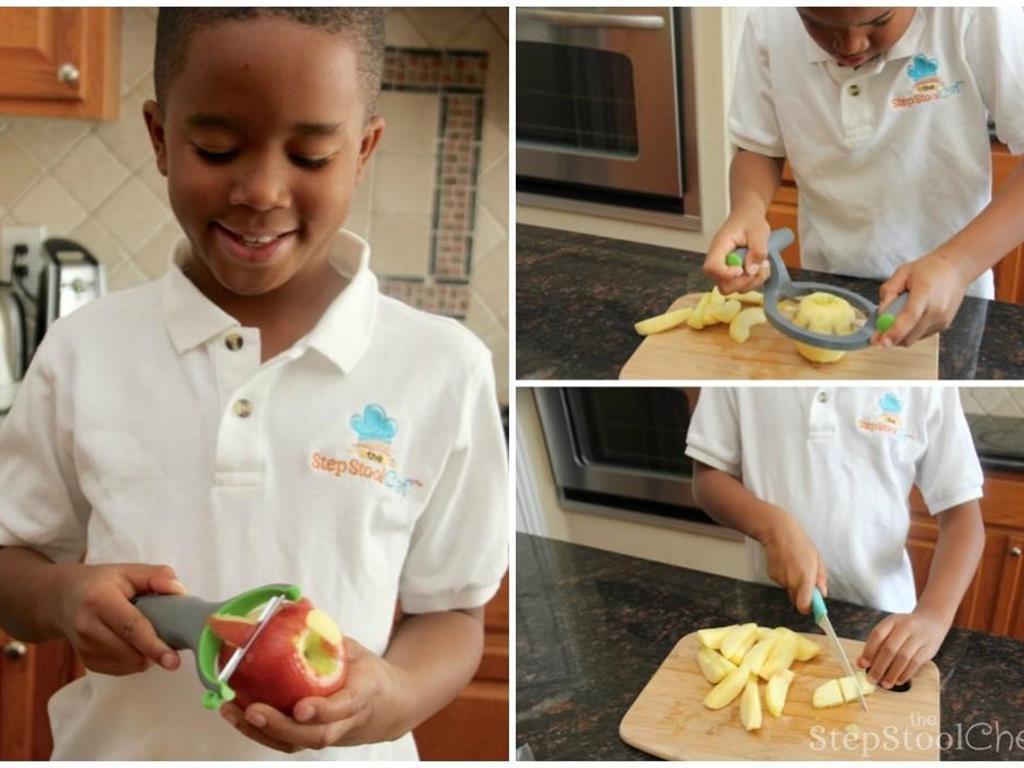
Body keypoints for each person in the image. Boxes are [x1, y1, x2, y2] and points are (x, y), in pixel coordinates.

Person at [0, 8, 507, 760]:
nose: (262, 190)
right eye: (217, 148)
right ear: (161, 139)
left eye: (309, 157)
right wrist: (63, 597)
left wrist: (395, 697)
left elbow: (456, 616)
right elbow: (12, 561)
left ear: (362, 149)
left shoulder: (442, 368)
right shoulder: (85, 352)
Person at [704, 8, 1024, 349]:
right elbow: (758, 145)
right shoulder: (769, 18)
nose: (850, 44)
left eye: (880, 21)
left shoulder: (978, 12)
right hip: (826, 280)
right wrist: (747, 210)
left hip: (948, 295)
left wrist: (957, 265)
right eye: (819, 22)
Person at [686, 387, 984, 690]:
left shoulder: (926, 386)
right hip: (767, 614)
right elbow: (709, 477)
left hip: (884, 629)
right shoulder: (738, 370)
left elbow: (963, 520)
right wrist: (773, 528)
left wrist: (933, 616)